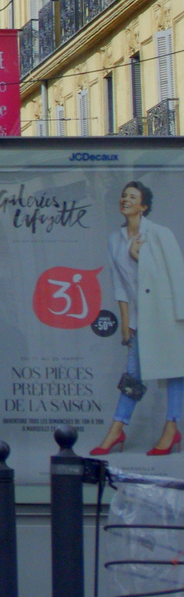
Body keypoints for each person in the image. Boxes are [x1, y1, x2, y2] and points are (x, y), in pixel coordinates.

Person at [92, 181, 184, 456]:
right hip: (137, 318)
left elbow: (176, 276)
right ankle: (119, 429)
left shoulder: (159, 234)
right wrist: (124, 322)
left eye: (132, 197)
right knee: (133, 374)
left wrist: (139, 255)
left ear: (143, 206)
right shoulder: (114, 239)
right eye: (123, 196)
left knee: (175, 372)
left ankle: (169, 427)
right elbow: (119, 284)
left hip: (166, 316)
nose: (125, 200)